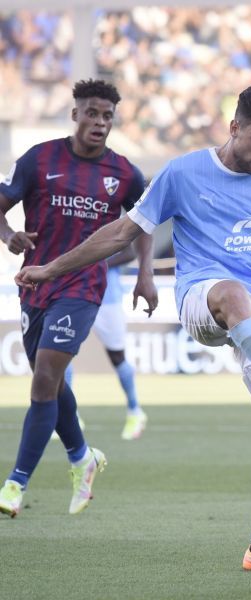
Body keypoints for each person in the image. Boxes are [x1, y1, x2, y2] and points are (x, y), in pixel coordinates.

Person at [14, 85, 251, 574]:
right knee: (233, 295)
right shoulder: (182, 172)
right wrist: (51, 269)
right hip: (203, 296)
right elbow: (121, 232)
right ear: (234, 126)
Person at [0, 79, 156, 518]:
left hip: (84, 287)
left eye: (107, 116)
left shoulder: (124, 173)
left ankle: (15, 483)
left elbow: (146, 221)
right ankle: (82, 458)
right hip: (34, 284)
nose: (100, 122)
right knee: (49, 383)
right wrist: (10, 235)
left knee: (46, 375)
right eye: (92, 113)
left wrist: (145, 275)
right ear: (75, 115)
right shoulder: (39, 159)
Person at [63, 246, 148, 440]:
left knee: (117, 356)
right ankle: (68, 415)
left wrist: (93, 264)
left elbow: (130, 252)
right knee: (63, 353)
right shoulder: (71, 219)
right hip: (74, 296)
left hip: (108, 298)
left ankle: (135, 410)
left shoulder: (109, 218)